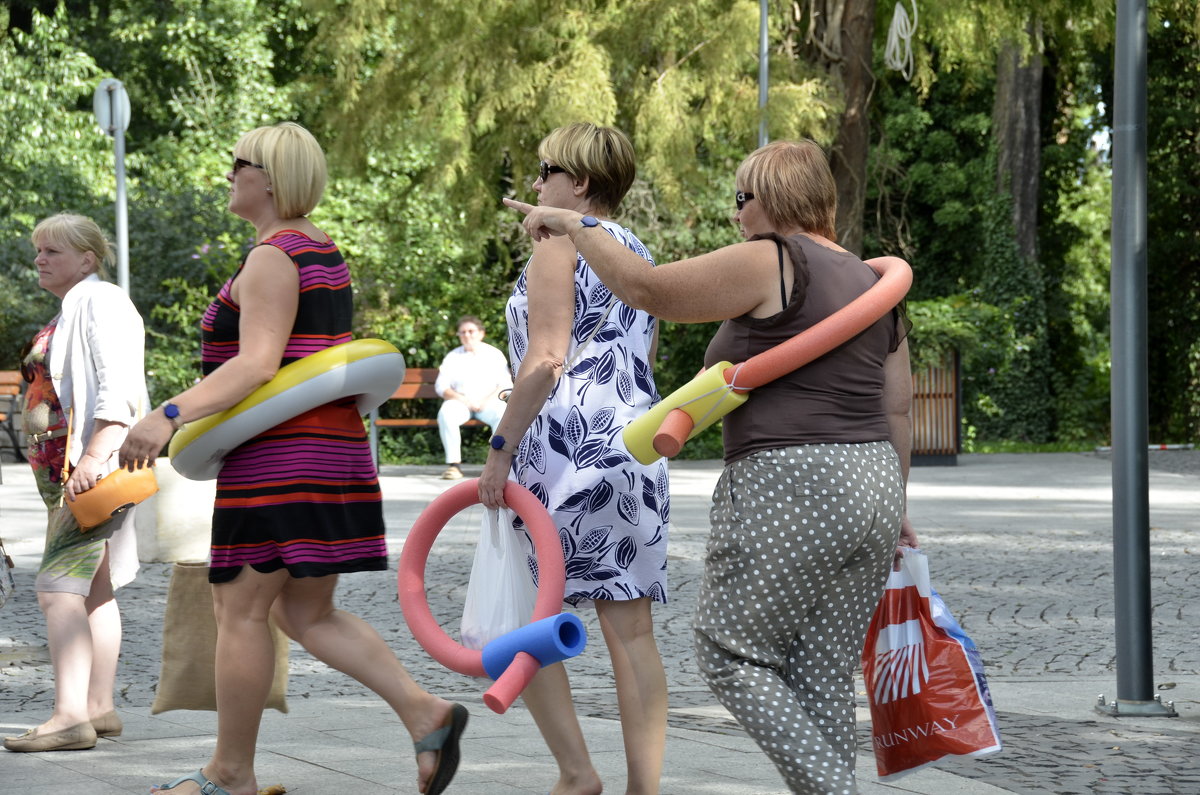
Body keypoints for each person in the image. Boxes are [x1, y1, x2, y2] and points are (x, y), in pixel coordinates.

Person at [504, 138, 919, 794]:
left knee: (731, 653)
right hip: (872, 482)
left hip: (791, 479)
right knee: (822, 671)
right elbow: (898, 410)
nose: (735, 215)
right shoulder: (875, 283)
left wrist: (573, 223)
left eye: (741, 198)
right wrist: (896, 507)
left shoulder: (774, 259)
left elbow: (650, 290)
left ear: (775, 198)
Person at [117, 122, 466, 795]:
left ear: (269, 177)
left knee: (240, 611)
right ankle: (427, 714)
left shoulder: (274, 256)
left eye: (237, 162)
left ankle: (228, 775)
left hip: (279, 458)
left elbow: (254, 366)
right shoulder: (322, 250)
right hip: (328, 451)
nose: (229, 174)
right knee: (305, 613)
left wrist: (166, 416)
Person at [478, 122, 670, 795]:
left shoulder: (559, 242)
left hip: (565, 446)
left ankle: (576, 772)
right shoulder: (632, 248)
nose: (534, 184)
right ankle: (643, 788)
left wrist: (500, 447)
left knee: (527, 616)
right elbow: (633, 362)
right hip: (635, 444)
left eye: (544, 170)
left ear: (579, 181)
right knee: (632, 629)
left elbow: (549, 356)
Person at [3, 214, 148, 753]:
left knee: (56, 590)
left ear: (87, 259)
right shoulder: (77, 304)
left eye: (53, 251)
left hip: (87, 471)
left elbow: (118, 388)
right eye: (37, 250)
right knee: (94, 590)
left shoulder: (100, 301)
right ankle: (97, 707)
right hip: (70, 473)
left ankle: (68, 717)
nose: (40, 258)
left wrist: (93, 457)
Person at [435, 315, 512, 479]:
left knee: (503, 414)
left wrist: (484, 401)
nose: (467, 335)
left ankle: (499, 466)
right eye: (462, 332)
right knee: (446, 412)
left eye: (471, 331)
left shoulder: (494, 354)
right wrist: (464, 400)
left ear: (481, 333)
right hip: (461, 403)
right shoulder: (452, 357)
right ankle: (454, 466)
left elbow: (505, 384)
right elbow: (441, 386)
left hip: (490, 402)